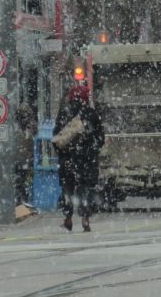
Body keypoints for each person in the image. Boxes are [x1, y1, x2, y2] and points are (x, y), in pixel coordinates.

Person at [53, 85, 104, 232]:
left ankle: (68, 218)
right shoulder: (91, 114)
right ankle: (85, 219)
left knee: (67, 190)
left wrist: (64, 153)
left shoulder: (64, 112)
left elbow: (56, 137)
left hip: (67, 160)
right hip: (87, 161)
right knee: (85, 189)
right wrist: (91, 149)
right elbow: (100, 138)